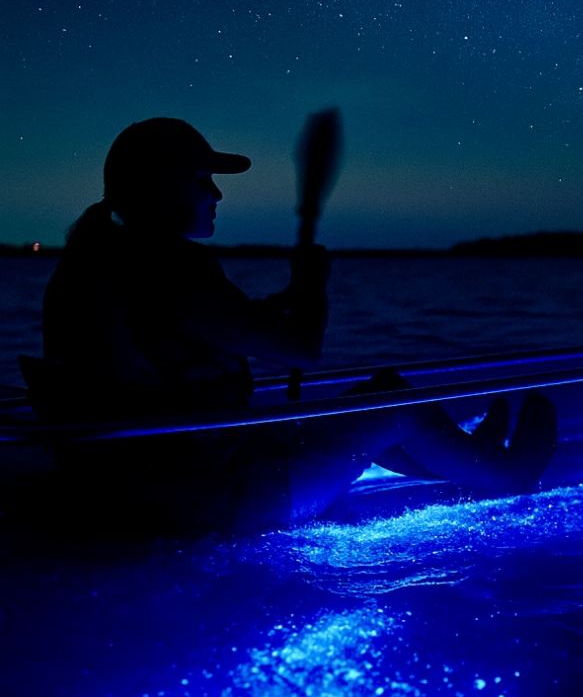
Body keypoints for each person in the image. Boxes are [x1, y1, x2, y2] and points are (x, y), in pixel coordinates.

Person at [35, 118, 556, 531]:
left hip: (144, 488)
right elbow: (301, 349)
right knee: (394, 402)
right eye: (202, 180)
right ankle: (511, 473)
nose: (216, 195)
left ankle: (472, 461)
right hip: (219, 502)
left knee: (367, 400)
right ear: (163, 186)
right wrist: (311, 287)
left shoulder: (92, 262)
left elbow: (197, 328)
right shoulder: (171, 268)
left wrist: (284, 299)